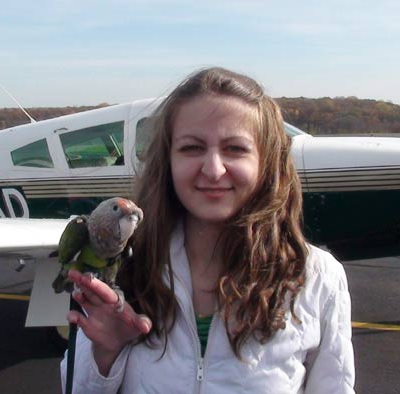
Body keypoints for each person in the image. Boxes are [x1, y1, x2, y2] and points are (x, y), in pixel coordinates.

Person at [60, 67, 355, 393]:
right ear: (168, 161)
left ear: (266, 163)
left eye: (235, 149)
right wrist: (106, 350)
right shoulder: (124, 268)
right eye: (191, 148)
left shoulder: (319, 278)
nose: (213, 169)